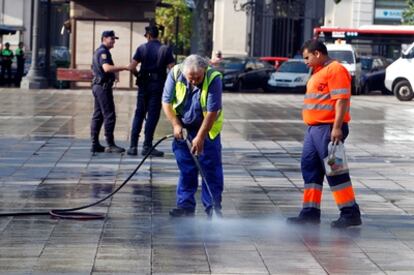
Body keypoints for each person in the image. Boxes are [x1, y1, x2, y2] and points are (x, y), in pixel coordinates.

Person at [287, 40, 362, 228]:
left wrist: (337, 127)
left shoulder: (335, 70)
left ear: (317, 54)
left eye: (307, 58)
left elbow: (341, 100)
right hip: (314, 129)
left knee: (335, 170)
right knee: (309, 168)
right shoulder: (319, 71)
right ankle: (310, 212)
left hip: (329, 128)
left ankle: (350, 212)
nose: (305, 62)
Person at [162, 54, 224, 218]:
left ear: (204, 70)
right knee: (186, 168)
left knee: (210, 170)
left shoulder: (213, 78)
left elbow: (212, 112)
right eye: (191, 78)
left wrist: (201, 137)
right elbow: (166, 102)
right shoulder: (176, 73)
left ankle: (213, 208)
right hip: (183, 128)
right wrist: (176, 124)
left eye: (197, 78)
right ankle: (185, 206)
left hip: (207, 129)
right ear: (184, 72)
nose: (194, 81)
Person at [126, 25, 175, 157]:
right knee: (152, 115)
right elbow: (173, 69)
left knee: (139, 114)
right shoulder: (165, 49)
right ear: (157, 35)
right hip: (158, 86)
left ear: (147, 35)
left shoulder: (141, 48)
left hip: (143, 86)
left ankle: (133, 146)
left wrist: (139, 76)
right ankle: (147, 146)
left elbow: (132, 67)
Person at [90, 30, 128, 154]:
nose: (114, 41)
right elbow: (106, 68)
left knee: (98, 115)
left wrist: (114, 75)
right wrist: (124, 67)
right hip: (102, 87)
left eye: (114, 39)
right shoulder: (103, 52)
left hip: (98, 86)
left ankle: (95, 144)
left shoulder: (100, 51)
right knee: (109, 115)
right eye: (112, 38)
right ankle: (110, 144)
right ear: (104, 38)